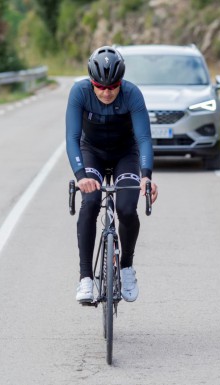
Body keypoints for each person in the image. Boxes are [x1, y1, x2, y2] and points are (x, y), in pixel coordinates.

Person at [66, 46, 159, 303]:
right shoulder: (79, 92)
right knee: (91, 202)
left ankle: (127, 267)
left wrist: (146, 175)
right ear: (91, 82)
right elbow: (72, 138)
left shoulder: (132, 94)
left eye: (113, 86)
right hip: (91, 152)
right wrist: (80, 174)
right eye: (100, 86)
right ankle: (86, 278)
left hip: (124, 154)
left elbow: (143, 139)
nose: (107, 92)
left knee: (127, 209)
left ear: (121, 82)